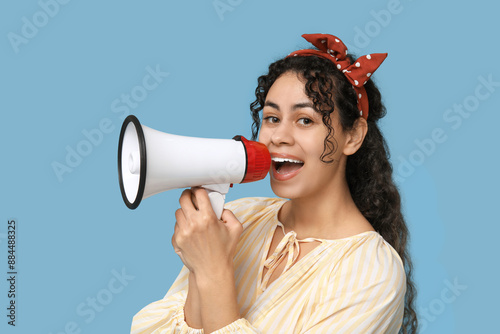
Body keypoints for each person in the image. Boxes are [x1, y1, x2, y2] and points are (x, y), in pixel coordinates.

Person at [130, 33, 418, 333]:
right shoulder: (242, 217)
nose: (278, 136)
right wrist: (200, 266)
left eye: (305, 120)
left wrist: (213, 272)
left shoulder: (372, 272)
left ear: (353, 136)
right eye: (271, 117)